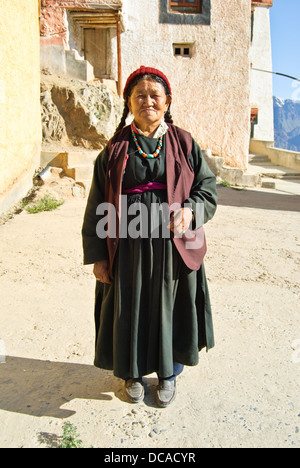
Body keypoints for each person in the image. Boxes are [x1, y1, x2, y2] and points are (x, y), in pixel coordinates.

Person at [82, 66, 218, 408]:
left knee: (169, 308)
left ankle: (168, 375)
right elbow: (97, 201)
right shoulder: (114, 150)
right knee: (131, 307)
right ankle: (132, 374)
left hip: (173, 247)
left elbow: (207, 188)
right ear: (129, 102)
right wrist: (98, 255)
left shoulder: (185, 143)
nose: (147, 101)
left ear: (166, 101)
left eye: (154, 95)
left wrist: (190, 211)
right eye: (139, 95)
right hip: (127, 247)